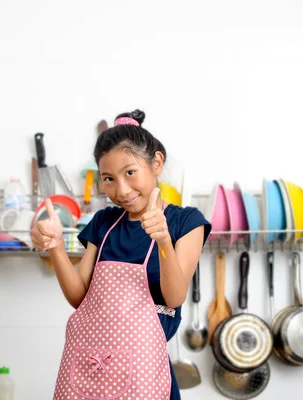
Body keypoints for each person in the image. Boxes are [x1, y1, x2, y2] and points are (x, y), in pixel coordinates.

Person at [31, 109, 211, 399]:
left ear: (156, 163)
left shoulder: (185, 222)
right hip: (89, 369)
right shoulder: (104, 222)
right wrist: (56, 249)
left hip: (145, 374)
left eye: (130, 173)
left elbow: (175, 297)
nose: (122, 189)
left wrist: (164, 241)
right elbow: (79, 298)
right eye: (109, 179)